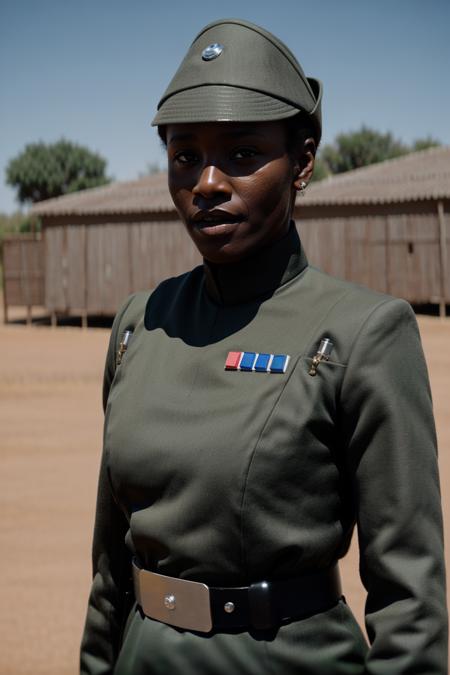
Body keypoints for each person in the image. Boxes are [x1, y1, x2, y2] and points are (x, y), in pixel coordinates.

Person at [80, 18, 447, 675]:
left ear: (302, 160)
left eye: (242, 153)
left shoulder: (364, 332)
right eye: (185, 155)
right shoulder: (140, 325)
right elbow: (111, 567)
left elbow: (411, 607)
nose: (208, 182)